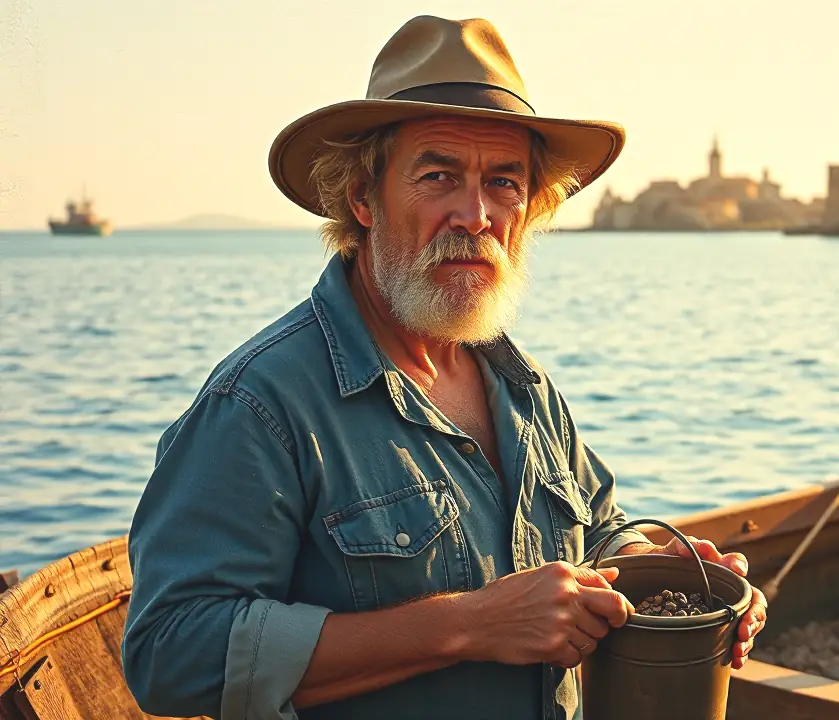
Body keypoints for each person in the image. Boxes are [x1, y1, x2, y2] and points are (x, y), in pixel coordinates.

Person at [121, 14, 767, 720]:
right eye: (438, 176)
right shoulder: (261, 403)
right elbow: (168, 654)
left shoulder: (521, 386)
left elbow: (600, 529)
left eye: (504, 182)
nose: (476, 215)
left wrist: (661, 570)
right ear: (362, 197)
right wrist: (467, 624)